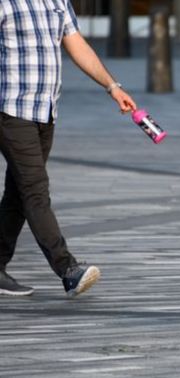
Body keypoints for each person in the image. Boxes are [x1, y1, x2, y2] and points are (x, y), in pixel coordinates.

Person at [0, 1, 137, 297]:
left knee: (18, 193)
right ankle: (68, 270)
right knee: (35, 191)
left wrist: (112, 87)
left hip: (45, 110)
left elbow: (76, 45)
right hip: (10, 109)